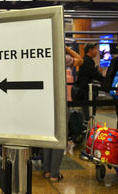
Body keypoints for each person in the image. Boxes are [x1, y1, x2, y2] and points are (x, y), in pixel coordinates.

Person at [42, 46, 83, 182]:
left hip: (43, 102)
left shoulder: (40, 56)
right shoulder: (60, 57)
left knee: (47, 136)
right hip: (59, 103)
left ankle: (47, 170)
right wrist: (65, 47)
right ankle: (54, 174)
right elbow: (80, 60)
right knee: (59, 138)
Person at [74, 43, 105, 120]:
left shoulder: (89, 60)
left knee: (90, 113)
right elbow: (93, 73)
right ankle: (87, 130)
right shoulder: (86, 61)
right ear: (90, 50)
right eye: (95, 49)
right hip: (87, 92)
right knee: (88, 113)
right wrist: (103, 78)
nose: (97, 51)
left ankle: (88, 128)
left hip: (89, 91)